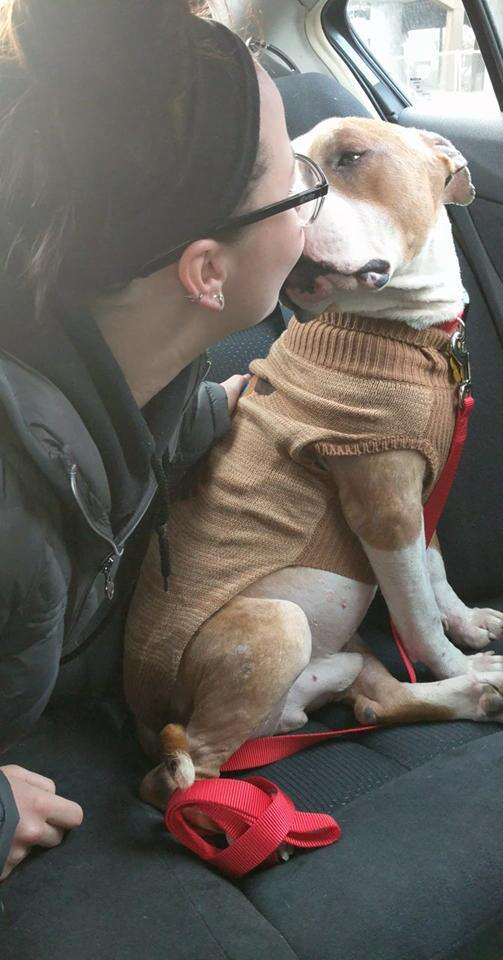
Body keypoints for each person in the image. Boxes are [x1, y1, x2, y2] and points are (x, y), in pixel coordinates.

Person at [0, 0, 326, 884]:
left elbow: (139, 421)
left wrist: (228, 406)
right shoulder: (11, 517)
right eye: (296, 181)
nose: (307, 208)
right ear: (205, 271)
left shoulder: (86, 335)